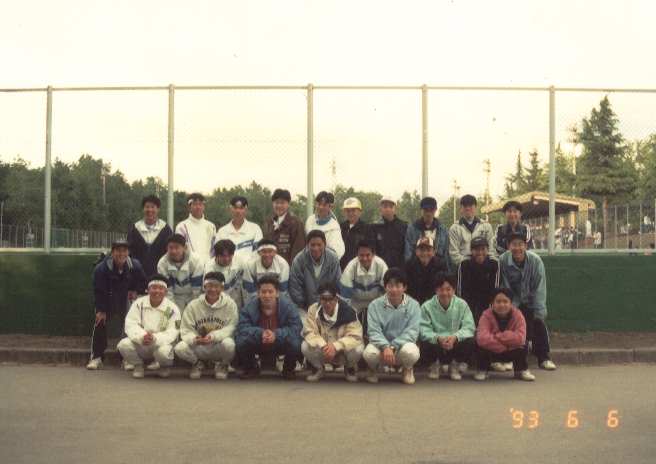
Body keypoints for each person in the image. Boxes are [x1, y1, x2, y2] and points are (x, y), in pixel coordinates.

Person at [499, 233, 557, 371]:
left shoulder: (536, 261)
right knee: (509, 323)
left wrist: (539, 311)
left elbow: (540, 288)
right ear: (508, 246)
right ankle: (508, 359)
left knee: (538, 321)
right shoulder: (503, 261)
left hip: (530, 301)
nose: (517, 248)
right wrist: (511, 309)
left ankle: (544, 358)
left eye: (520, 244)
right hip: (513, 302)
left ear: (525, 246)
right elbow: (504, 286)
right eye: (514, 245)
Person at [86, 240, 146, 370]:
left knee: (130, 324)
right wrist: (101, 310)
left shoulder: (135, 266)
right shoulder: (101, 269)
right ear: (112, 253)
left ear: (128, 252)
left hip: (125, 299)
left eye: (124, 251)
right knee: (100, 321)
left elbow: (143, 282)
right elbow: (99, 291)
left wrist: (135, 290)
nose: (121, 254)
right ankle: (96, 357)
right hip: (107, 298)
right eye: (118, 251)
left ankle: (126, 358)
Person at [235, 275, 303, 380]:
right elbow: (242, 328)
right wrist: (260, 333)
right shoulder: (249, 307)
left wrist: (276, 334)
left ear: (277, 293)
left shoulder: (289, 307)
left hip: (280, 342)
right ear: (258, 293)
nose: (267, 295)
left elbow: (296, 328)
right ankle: (251, 368)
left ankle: (288, 369)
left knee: (296, 342)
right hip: (259, 341)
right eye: (263, 292)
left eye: (270, 292)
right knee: (241, 341)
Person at [173, 272, 238, 380]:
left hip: (218, 345)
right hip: (199, 346)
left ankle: (223, 365)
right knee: (179, 348)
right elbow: (185, 329)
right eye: (209, 286)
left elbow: (231, 327)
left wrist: (214, 336)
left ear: (222, 288)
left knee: (229, 345)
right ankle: (197, 363)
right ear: (204, 287)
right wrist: (194, 339)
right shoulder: (193, 305)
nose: (213, 289)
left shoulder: (230, 304)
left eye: (216, 286)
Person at [363, 268, 421, 385]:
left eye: (398, 286)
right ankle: (373, 369)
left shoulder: (414, 305)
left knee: (412, 353)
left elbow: (412, 332)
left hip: (401, 348)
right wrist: (385, 347)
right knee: (369, 354)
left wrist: (393, 346)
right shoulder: (374, 305)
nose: (394, 289)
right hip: (381, 348)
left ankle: (407, 369)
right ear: (385, 287)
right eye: (390, 286)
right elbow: (373, 331)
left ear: (404, 287)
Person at [117, 274, 181, 379]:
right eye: (154, 288)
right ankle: (138, 366)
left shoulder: (172, 308)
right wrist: (142, 336)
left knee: (164, 353)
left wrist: (155, 338)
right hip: (142, 341)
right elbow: (131, 324)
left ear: (165, 292)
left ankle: (164, 367)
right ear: (148, 290)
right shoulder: (138, 304)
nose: (157, 291)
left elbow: (174, 331)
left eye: (161, 288)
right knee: (123, 345)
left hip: (160, 344)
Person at [302, 282, 364, 383]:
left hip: (342, 351)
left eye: (330, 299)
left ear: (336, 299)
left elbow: (355, 336)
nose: (327, 303)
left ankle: (349, 368)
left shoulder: (349, 311)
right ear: (319, 299)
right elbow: (309, 332)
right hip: (324, 349)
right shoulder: (313, 309)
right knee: (305, 346)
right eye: (324, 299)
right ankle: (319, 369)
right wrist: (323, 346)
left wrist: (336, 346)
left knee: (358, 348)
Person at [418, 273, 476, 381]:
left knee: (470, 341)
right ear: (436, 290)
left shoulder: (462, 304)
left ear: (454, 290)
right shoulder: (426, 306)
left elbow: (469, 327)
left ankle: (455, 365)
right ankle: (434, 365)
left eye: (448, 289)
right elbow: (423, 329)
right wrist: (438, 338)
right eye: (441, 289)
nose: (445, 293)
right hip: (437, 344)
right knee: (424, 341)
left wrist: (455, 337)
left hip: (454, 343)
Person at [474, 287, 535, 381]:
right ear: (492, 303)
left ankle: (521, 370)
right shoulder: (486, 315)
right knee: (479, 345)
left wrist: (498, 336)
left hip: (511, 351)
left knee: (524, 345)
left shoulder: (518, 315)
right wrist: (504, 346)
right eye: (498, 301)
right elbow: (482, 338)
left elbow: (520, 338)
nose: (502, 304)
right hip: (493, 351)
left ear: (511, 303)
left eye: (505, 301)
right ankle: (482, 370)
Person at [289, 230, 342, 322]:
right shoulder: (299, 260)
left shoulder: (333, 259)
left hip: (329, 304)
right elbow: (295, 289)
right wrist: (308, 307)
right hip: (304, 307)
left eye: (319, 245)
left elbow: (337, 284)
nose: (316, 248)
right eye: (312, 245)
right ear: (307, 245)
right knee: (304, 326)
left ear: (325, 245)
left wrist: (328, 303)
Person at [339, 240, 388, 335]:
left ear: (373, 254)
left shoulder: (381, 265)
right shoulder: (351, 266)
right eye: (361, 255)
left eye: (368, 255)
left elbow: (387, 291)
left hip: (376, 300)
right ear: (357, 255)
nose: (365, 258)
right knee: (344, 327)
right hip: (356, 301)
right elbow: (344, 295)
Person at [457, 237, 500, 324]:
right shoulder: (464, 264)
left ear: (488, 250)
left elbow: (495, 290)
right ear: (471, 251)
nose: (480, 252)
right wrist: (465, 311)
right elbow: (461, 291)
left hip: (487, 303)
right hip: (469, 303)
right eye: (476, 250)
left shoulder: (494, 264)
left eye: (483, 249)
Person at [126, 195, 173, 277]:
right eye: (147, 207)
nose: (150, 210)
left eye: (153, 207)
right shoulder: (134, 229)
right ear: (143, 209)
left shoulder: (166, 229)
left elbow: (170, 253)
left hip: (160, 276)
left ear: (158, 209)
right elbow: (129, 253)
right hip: (137, 276)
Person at [156, 234, 204, 312]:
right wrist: (173, 308)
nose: (173, 251)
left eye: (177, 247)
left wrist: (194, 308)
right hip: (173, 297)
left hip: (192, 296)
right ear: (167, 248)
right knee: (168, 317)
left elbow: (197, 289)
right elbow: (167, 291)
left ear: (185, 247)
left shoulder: (196, 260)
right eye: (171, 248)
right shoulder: (162, 263)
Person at [449, 194, 497, 267]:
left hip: (484, 265)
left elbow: (491, 250)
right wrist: (469, 264)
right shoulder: (454, 228)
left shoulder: (486, 226)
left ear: (476, 207)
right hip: (463, 267)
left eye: (471, 206)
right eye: (465, 206)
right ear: (461, 208)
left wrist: (488, 263)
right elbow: (454, 254)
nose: (468, 208)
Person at [215, 196, 263, 267]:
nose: (238, 211)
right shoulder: (222, 231)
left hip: (249, 270)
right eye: (235, 208)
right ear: (230, 209)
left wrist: (248, 267)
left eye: (241, 208)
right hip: (227, 271)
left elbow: (258, 253)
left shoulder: (255, 229)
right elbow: (217, 255)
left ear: (246, 210)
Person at [263, 188, 305, 265]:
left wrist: (293, 269)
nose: (279, 205)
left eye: (282, 203)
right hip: (270, 268)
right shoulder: (268, 223)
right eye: (276, 202)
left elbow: (298, 251)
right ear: (273, 204)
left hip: (288, 268)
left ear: (288, 204)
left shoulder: (296, 223)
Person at [404, 196, 449, 267]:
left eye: (431, 210)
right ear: (421, 210)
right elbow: (408, 253)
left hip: (438, 268)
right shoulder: (412, 229)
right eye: (426, 210)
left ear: (435, 210)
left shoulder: (443, 230)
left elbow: (446, 254)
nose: (428, 213)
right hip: (417, 268)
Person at [204, 240, 247, 309]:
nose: (226, 259)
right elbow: (208, 293)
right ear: (216, 255)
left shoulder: (240, 262)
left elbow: (245, 288)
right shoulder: (209, 269)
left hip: (238, 304)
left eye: (229, 255)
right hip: (218, 305)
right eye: (223, 256)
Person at [405, 237, 448, 305]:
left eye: (428, 250)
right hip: (414, 302)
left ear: (434, 252)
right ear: (416, 252)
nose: (425, 253)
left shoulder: (441, 265)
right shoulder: (409, 265)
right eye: (421, 250)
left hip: (435, 302)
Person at [175, 192, 216, 264]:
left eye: (200, 204)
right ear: (189, 207)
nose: (198, 207)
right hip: (189, 267)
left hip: (208, 267)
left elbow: (213, 249)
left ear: (204, 207)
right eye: (195, 204)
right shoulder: (181, 227)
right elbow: (180, 249)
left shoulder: (211, 226)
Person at [305, 191, 345, 260]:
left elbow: (337, 252)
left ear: (330, 207)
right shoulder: (310, 220)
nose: (320, 207)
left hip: (326, 262)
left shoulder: (334, 227)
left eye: (324, 205)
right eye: (319, 204)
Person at [372, 197, 408, 269]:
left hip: (400, 268)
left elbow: (407, 250)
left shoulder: (404, 226)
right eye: (385, 206)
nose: (388, 209)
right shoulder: (374, 227)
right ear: (380, 209)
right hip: (380, 268)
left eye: (391, 207)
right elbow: (372, 249)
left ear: (395, 209)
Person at [339, 197, 372, 270]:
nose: (350, 213)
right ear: (344, 212)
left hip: (360, 267)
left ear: (360, 212)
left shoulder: (367, 229)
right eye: (348, 211)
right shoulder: (340, 228)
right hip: (342, 267)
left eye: (353, 210)